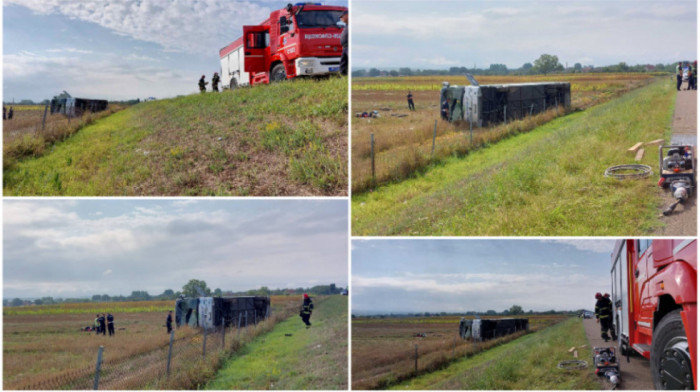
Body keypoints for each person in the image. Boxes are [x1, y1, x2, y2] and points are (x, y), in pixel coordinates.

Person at [339, 10, 348, 76]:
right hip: (345, 47)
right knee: (343, 63)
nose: (340, 18)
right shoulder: (346, 26)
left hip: (348, 47)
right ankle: (344, 76)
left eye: (342, 16)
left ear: (347, 15)